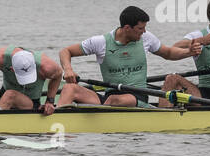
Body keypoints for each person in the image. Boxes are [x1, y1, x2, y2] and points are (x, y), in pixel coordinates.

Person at [58, 6, 201, 106]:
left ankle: (97, 118)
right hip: (110, 96)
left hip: (137, 96)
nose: (144, 32)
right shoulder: (101, 42)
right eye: (140, 28)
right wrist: (68, 69)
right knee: (69, 88)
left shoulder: (146, 38)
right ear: (127, 28)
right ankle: (57, 122)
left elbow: (168, 53)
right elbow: (65, 51)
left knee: (115, 100)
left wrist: (188, 52)